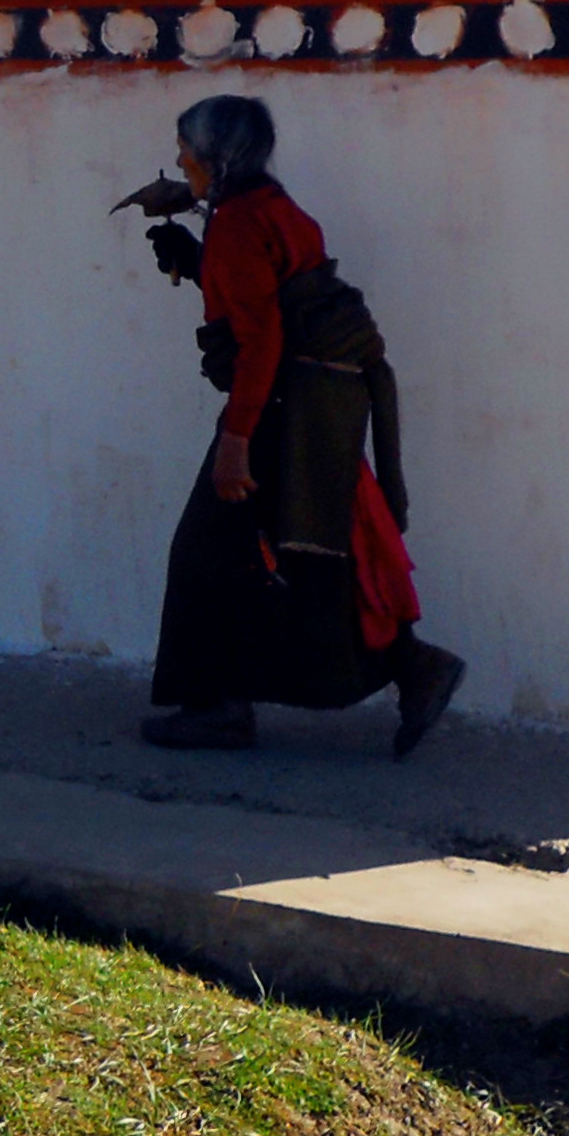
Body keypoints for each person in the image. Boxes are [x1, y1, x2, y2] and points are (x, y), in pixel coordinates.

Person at [117, 94, 464, 759]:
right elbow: (273, 295)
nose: (180, 160)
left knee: (206, 550)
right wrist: (197, 264)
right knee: (295, 554)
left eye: (188, 148)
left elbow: (264, 337)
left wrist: (236, 441)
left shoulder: (240, 224)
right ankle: (411, 669)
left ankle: (221, 707)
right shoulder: (269, 208)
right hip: (317, 397)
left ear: (217, 158)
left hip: (282, 405)